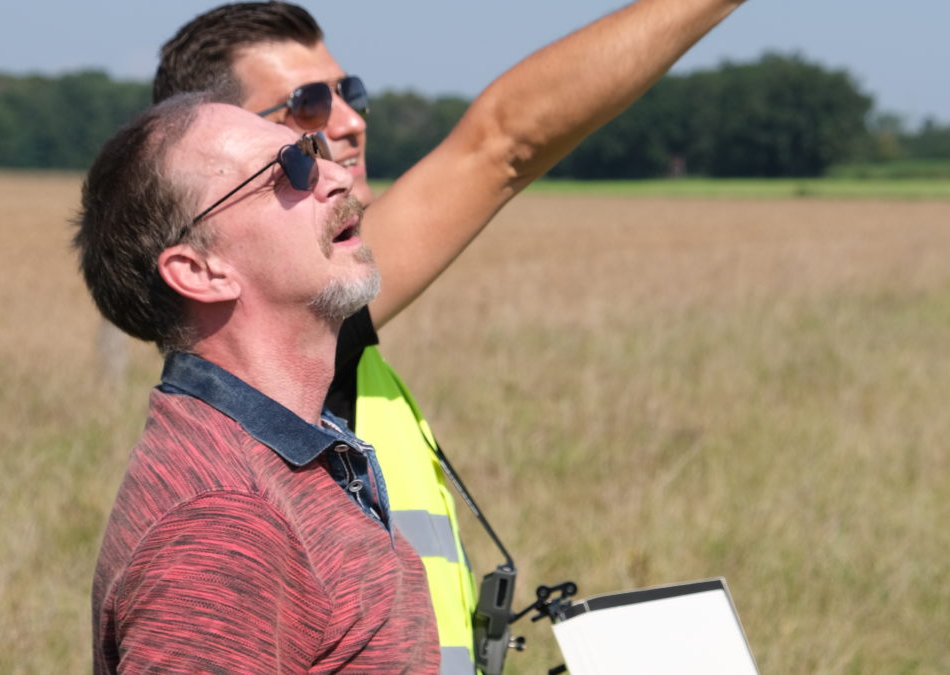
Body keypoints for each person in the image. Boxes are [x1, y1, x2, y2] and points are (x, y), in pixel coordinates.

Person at [153, 1, 747, 670]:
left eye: (350, 93)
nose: (350, 122)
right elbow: (503, 143)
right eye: (308, 105)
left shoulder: (308, 320)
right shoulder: (223, 483)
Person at [75, 95, 438, 672]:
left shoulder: (286, 456)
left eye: (313, 152)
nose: (339, 176)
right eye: (289, 169)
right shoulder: (222, 525)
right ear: (200, 271)